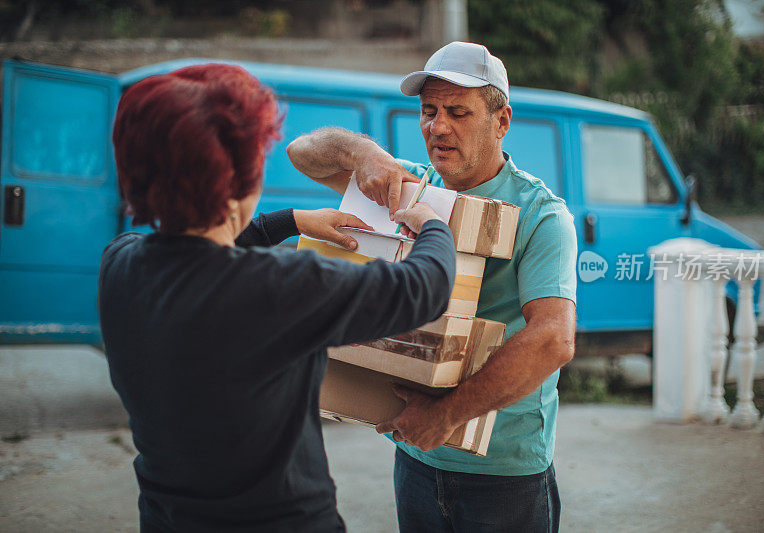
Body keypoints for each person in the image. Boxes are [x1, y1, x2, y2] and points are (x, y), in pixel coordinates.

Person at [98, 63, 457, 532]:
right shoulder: (279, 286)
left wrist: (291, 221)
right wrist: (433, 224)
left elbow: (195, 251)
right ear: (240, 183)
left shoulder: (120, 266)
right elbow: (423, 289)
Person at [287, 41, 578, 532]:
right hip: (417, 457)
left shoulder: (541, 215)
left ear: (501, 121)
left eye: (458, 113)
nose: (437, 127)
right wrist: (363, 152)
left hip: (503, 474)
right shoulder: (407, 185)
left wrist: (446, 416)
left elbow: (553, 339)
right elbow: (302, 154)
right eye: (428, 111)